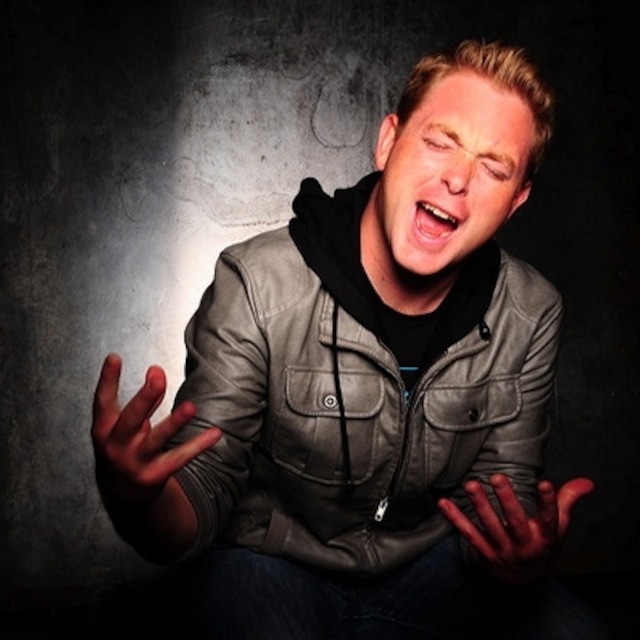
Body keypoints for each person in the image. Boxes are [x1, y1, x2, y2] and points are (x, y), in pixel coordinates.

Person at [92, 40, 612, 639]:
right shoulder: (259, 283)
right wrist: (137, 501)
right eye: (440, 142)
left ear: (516, 200)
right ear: (388, 141)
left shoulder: (530, 312)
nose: (457, 178)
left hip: (428, 571)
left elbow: (499, 507)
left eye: (494, 169)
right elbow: (201, 490)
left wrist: (517, 561)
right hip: (270, 563)